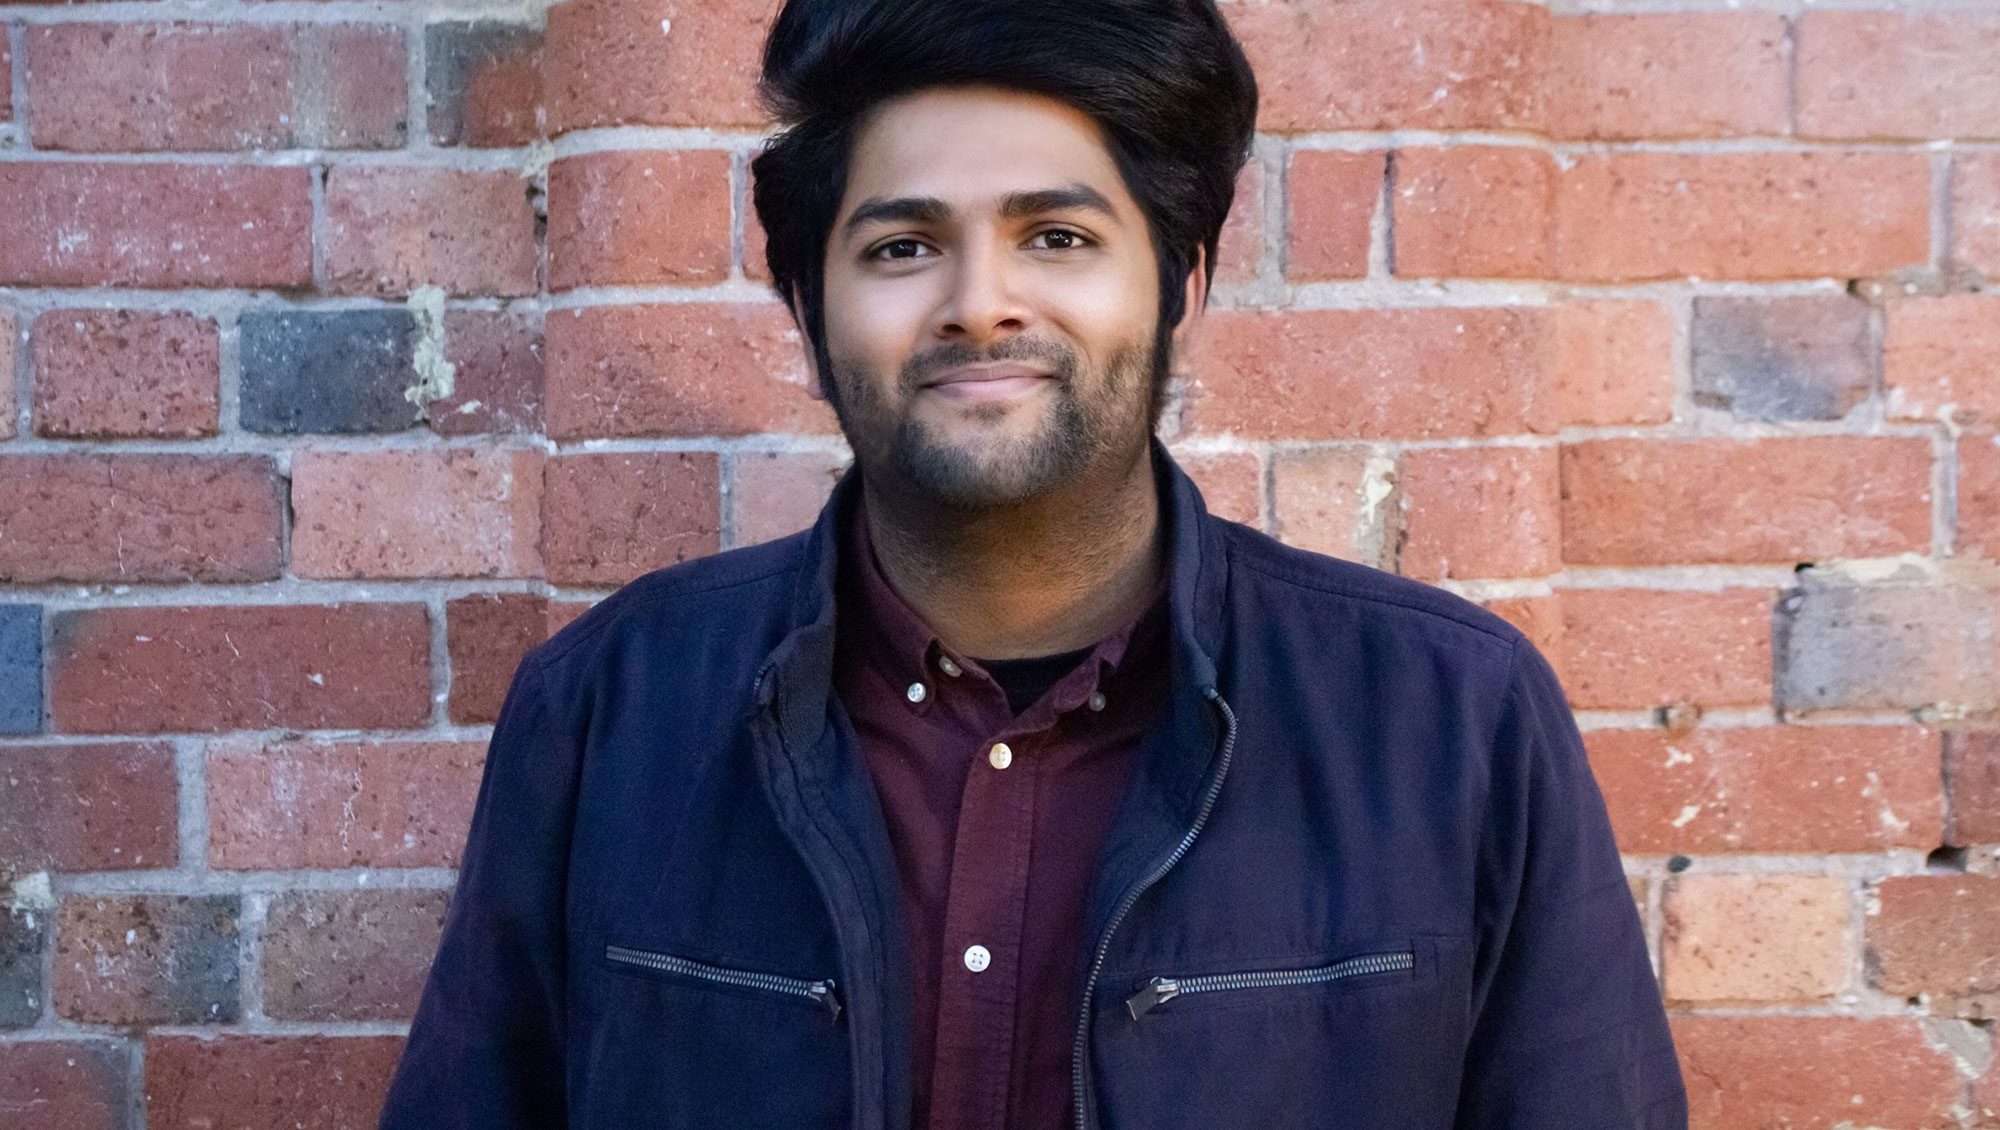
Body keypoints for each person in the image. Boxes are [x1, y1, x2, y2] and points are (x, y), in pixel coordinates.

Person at [379, 0, 1688, 1126]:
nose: (978, 300)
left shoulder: (1452, 724)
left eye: (1057, 236)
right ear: (808, 301)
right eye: (902, 246)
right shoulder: (611, 713)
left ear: (1179, 279)